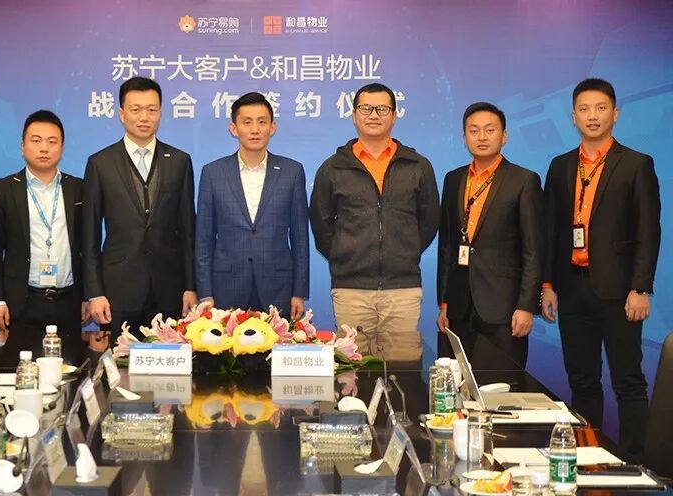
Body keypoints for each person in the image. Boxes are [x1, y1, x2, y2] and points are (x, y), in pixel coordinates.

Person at [542, 78, 660, 458]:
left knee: (628, 382)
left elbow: (648, 231)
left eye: (600, 108)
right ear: (573, 116)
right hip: (572, 288)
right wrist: (547, 284)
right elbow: (551, 231)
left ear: (615, 114)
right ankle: (588, 458)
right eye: (584, 109)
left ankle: (635, 463)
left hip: (620, 291)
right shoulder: (560, 166)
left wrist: (641, 288)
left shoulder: (636, 164)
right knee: (582, 381)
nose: (592, 116)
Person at [310, 82, 440, 362]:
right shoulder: (333, 168)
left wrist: (404, 251)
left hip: (402, 289)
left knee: (403, 370)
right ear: (354, 114)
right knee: (351, 373)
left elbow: (429, 221)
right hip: (350, 290)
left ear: (394, 115)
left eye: (382, 109)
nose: (373, 115)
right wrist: (345, 255)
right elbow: (321, 224)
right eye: (366, 108)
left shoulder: (417, 166)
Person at [82, 77, 197, 339]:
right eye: (136, 109)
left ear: (160, 113)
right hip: (118, 290)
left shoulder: (180, 161)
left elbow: (188, 230)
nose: (144, 117)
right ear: (122, 114)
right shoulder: (100, 163)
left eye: (151, 109)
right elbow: (89, 236)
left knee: (170, 360)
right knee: (120, 361)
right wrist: (95, 292)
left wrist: (191, 286)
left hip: (170, 289)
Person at [436, 102, 544, 370]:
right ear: (464, 138)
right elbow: (447, 246)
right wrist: (444, 302)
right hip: (459, 305)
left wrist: (526, 306)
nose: (481, 137)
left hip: (504, 308)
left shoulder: (524, 180)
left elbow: (533, 250)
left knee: (501, 386)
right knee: (457, 384)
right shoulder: (453, 179)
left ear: (504, 136)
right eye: (473, 131)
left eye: (489, 130)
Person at [195, 92, 309, 318]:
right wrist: (205, 293)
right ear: (234, 128)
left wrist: (299, 292)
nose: (255, 130)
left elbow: (300, 238)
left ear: (272, 127)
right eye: (247, 122)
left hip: (278, 286)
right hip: (226, 285)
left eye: (262, 122)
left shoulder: (292, 172)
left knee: (275, 341)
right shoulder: (213, 173)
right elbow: (203, 240)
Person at [0, 110, 89, 343]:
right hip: (22, 300)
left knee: (69, 363)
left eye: (52, 142)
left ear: (62, 147)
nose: (44, 148)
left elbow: (88, 247)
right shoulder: (3, 190)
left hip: (69, 301)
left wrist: (88, 296)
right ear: (22, 146)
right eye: (36, 140)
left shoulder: (79, 189)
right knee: (21, 363)